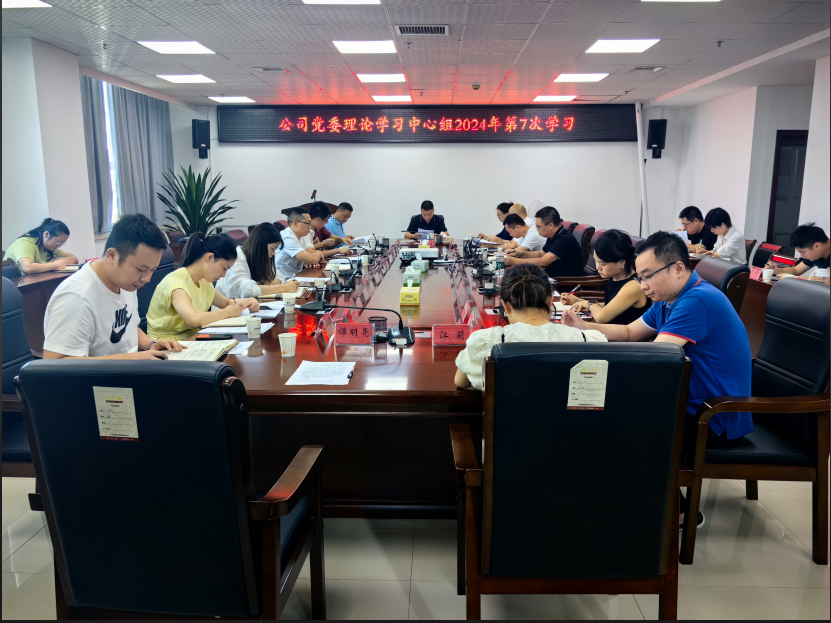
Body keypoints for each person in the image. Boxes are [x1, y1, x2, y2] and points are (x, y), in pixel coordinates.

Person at [562, 231, 752, 527]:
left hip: (713, 416)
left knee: (620, 420)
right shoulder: (670, 297)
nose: (643, 285)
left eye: (648, 276)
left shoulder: (697, 301)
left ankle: (677, 511)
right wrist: (582, 327)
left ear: (678, 268)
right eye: (639, 277)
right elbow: (629, 332)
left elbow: (655, 359)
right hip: (689, 402)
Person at [43, 214, 184, 360]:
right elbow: (55, 364)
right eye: (141, 269)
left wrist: (150, 345)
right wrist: (132, 360)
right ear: (112, 256)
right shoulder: (77, 297)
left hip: (131, 370)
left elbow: (129, 328)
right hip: (104, 375)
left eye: (152, 270)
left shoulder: (126, 283)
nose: (147, 278)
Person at [454, 264, 607, 390]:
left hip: (511, 419)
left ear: (505, 306)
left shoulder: (487, 340)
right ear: (549, 301)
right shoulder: (589, 341)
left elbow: (461, 382)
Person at [146, 233, 259, 341]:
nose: (224, 275)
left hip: (191, 339)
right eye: (224, 268)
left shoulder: (203, 281)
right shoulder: (177, 284)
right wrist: (226, 313)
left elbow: (226, 303)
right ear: (209, 257)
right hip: (166, 344)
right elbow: (193, 319)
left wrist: (249, 301)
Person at [560, 229, 651, 325]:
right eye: (596, 261)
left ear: (622, 262)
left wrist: (590, 303)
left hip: (622, 334)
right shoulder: (616, 277)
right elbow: (611, 307)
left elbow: (601, 317)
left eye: (603, 264)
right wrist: (578, 301)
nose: (597, 267)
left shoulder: (634, 286)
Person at [216, 223, 299, 299]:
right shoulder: (237, 262)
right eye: (272, 249)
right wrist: (285, 287)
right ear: (260, 245)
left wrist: (266, 286)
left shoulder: (258, 258)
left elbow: (279, 276)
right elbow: (248, 291)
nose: (274, 253)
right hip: (228, 309)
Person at [504, 206, 583, 278]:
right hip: (550, 275)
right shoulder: (552, 235)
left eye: (538, 227)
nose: (537, 230)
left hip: (564, 282)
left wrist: (514, 261)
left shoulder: (564, 239)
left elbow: (543, 262)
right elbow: (541, 254)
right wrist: (520, 254)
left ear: (550, 225)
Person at [4, 218, 80, 274]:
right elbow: (27, 267)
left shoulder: (48, 247)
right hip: (16, 286)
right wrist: (55, 265)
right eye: (58, 242)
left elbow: (74, 259)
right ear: (46, 234)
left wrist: (60, 261)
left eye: (62, 243)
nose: (59, 246)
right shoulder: (25, 243)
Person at [274, 207, 325, 280]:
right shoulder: (287, 238)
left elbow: (312, 253)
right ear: (295, 223)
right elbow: (313, 258)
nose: (310, 227)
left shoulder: (301, 236)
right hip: (284, 280)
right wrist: (316, 256)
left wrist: (312, 258)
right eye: (307, 223)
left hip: (298, 276)